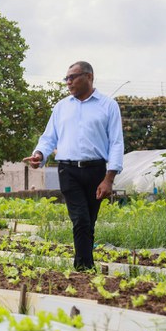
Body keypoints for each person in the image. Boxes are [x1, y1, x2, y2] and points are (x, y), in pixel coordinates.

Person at [23, 61, 124, 271]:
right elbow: (49, 138)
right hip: (68, 170)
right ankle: (83, 268)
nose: (68, 82)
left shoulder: (108, 105)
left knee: (89, 221)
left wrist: (109, 178)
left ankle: (85, 266)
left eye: (73, 77)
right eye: (66, 78)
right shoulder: (62, 107)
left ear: (89, 77)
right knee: (80, 219)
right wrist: (39, 154)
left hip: (96, 170)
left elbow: (116, 142)